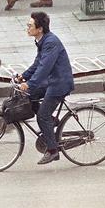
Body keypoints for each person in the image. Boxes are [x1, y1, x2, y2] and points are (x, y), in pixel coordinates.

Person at [18, 12, 74, 165]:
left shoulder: (50, 43)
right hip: (52, 81)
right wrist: (23, 77)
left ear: (40, 28)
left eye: (30, 25)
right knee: (31, 95)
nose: (27, 28)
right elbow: (37, 63)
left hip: (59, 83)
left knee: (42, 116)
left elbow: (44, 68)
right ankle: (51, 121)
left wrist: (30, 83)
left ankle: (52, 150)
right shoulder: (41, 41)